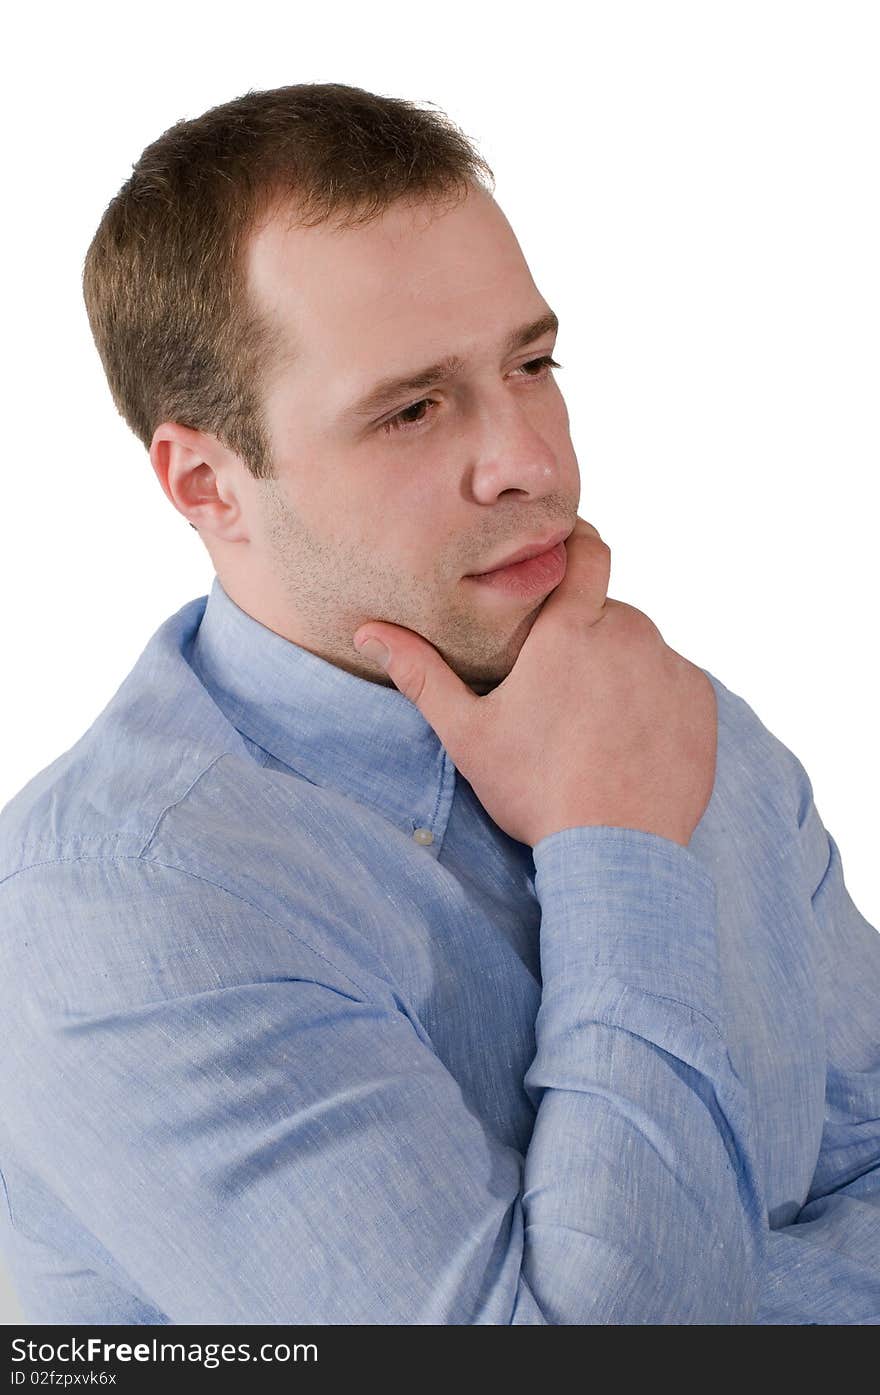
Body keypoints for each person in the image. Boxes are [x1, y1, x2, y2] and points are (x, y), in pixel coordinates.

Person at [0, 81, 877, 1327]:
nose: (527, 458)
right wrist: (615, 846)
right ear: (206, 483)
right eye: (412, 409)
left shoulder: (681, 721)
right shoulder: (117, 907)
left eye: (533, 363)